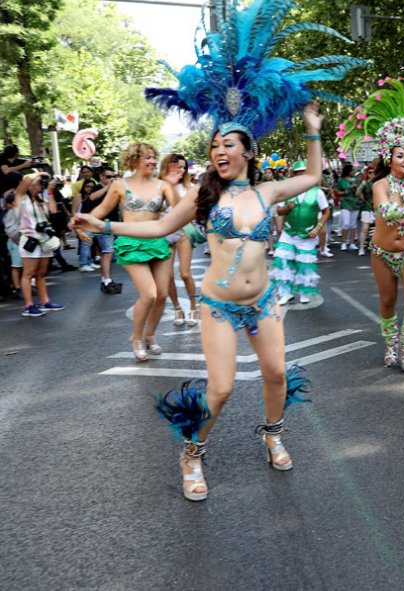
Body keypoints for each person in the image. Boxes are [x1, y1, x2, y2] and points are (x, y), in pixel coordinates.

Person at [76, 0, 364, 501]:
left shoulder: (267, 192)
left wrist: (314, 128)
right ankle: (192, 452)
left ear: (248, 152)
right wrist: (101, 224)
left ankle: (273, 433)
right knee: (223, 388)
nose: (219, 153)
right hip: (219, 305)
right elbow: (160, 226)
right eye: (214, 147)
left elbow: (315, 176)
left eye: (229, 145)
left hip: (265, 302)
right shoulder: (203, 195)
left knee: (275, 374)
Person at [338, 66, 404, 372]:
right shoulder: (379, 185)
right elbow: (385, 212)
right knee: (387, 304)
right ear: (389, 158)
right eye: (401, 154)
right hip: (382, 253)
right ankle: (390, 343)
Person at [89, 143, 178, 360]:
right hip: (131, 243)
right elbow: (101, 210)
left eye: (154, 157)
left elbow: (181, 209)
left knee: (163, 295)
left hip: (158, 242)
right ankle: (136, 337)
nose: (152, 162)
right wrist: (85, 223)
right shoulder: (120, 185)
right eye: (147, 157)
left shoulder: (163, 185)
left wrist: (175, 186)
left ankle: (150, 335)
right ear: (134, 160)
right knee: (149, 294)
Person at [271, 160, 330, 305]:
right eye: (298, 173)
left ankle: (304, 292)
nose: (301, 175)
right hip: (289, 232)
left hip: (307, 234)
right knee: (282, 261)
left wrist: (318, 228)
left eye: (304, 172)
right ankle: (286, 293)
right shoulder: (287, 191)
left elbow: (326, 211)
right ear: (294, 175)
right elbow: (278, 211)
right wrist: (287, 208)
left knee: (304, 265)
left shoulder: (318, 192)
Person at [13, 172, 65, 316]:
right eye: (36, 183)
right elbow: (26, 179)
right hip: (30, 239)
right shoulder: (20, 198)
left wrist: (50, 190)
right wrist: (41, 172)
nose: (38, 185)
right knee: (28, 274)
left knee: (41, 273)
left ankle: (45, 301)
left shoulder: (40, 199)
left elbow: (53, 210)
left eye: (39, 183)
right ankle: (28, 306)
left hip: (44, 240)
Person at [159, 153, 199, 326]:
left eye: (184, 167)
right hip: (163, 235)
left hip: (183, 233)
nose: (181, 170)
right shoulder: (158, 186)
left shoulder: (189, 187)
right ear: (168, 166)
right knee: (167, 277)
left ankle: (193, 307)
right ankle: (177, 308)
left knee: (185, 273)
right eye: (177, 166)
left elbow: (187, 210)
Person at [335, 163, 359, 251]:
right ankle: (344, 243)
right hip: (345, 203)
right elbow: (337, 191)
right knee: (345, 224)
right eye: (352, 170)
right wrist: (344, 192)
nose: (354, 172)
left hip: (355, 203)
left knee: (353, 225)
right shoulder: (341, 180)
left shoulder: (355, 179)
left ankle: (352, 243)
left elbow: (358, 193)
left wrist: (356, 188)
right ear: (348, 171)